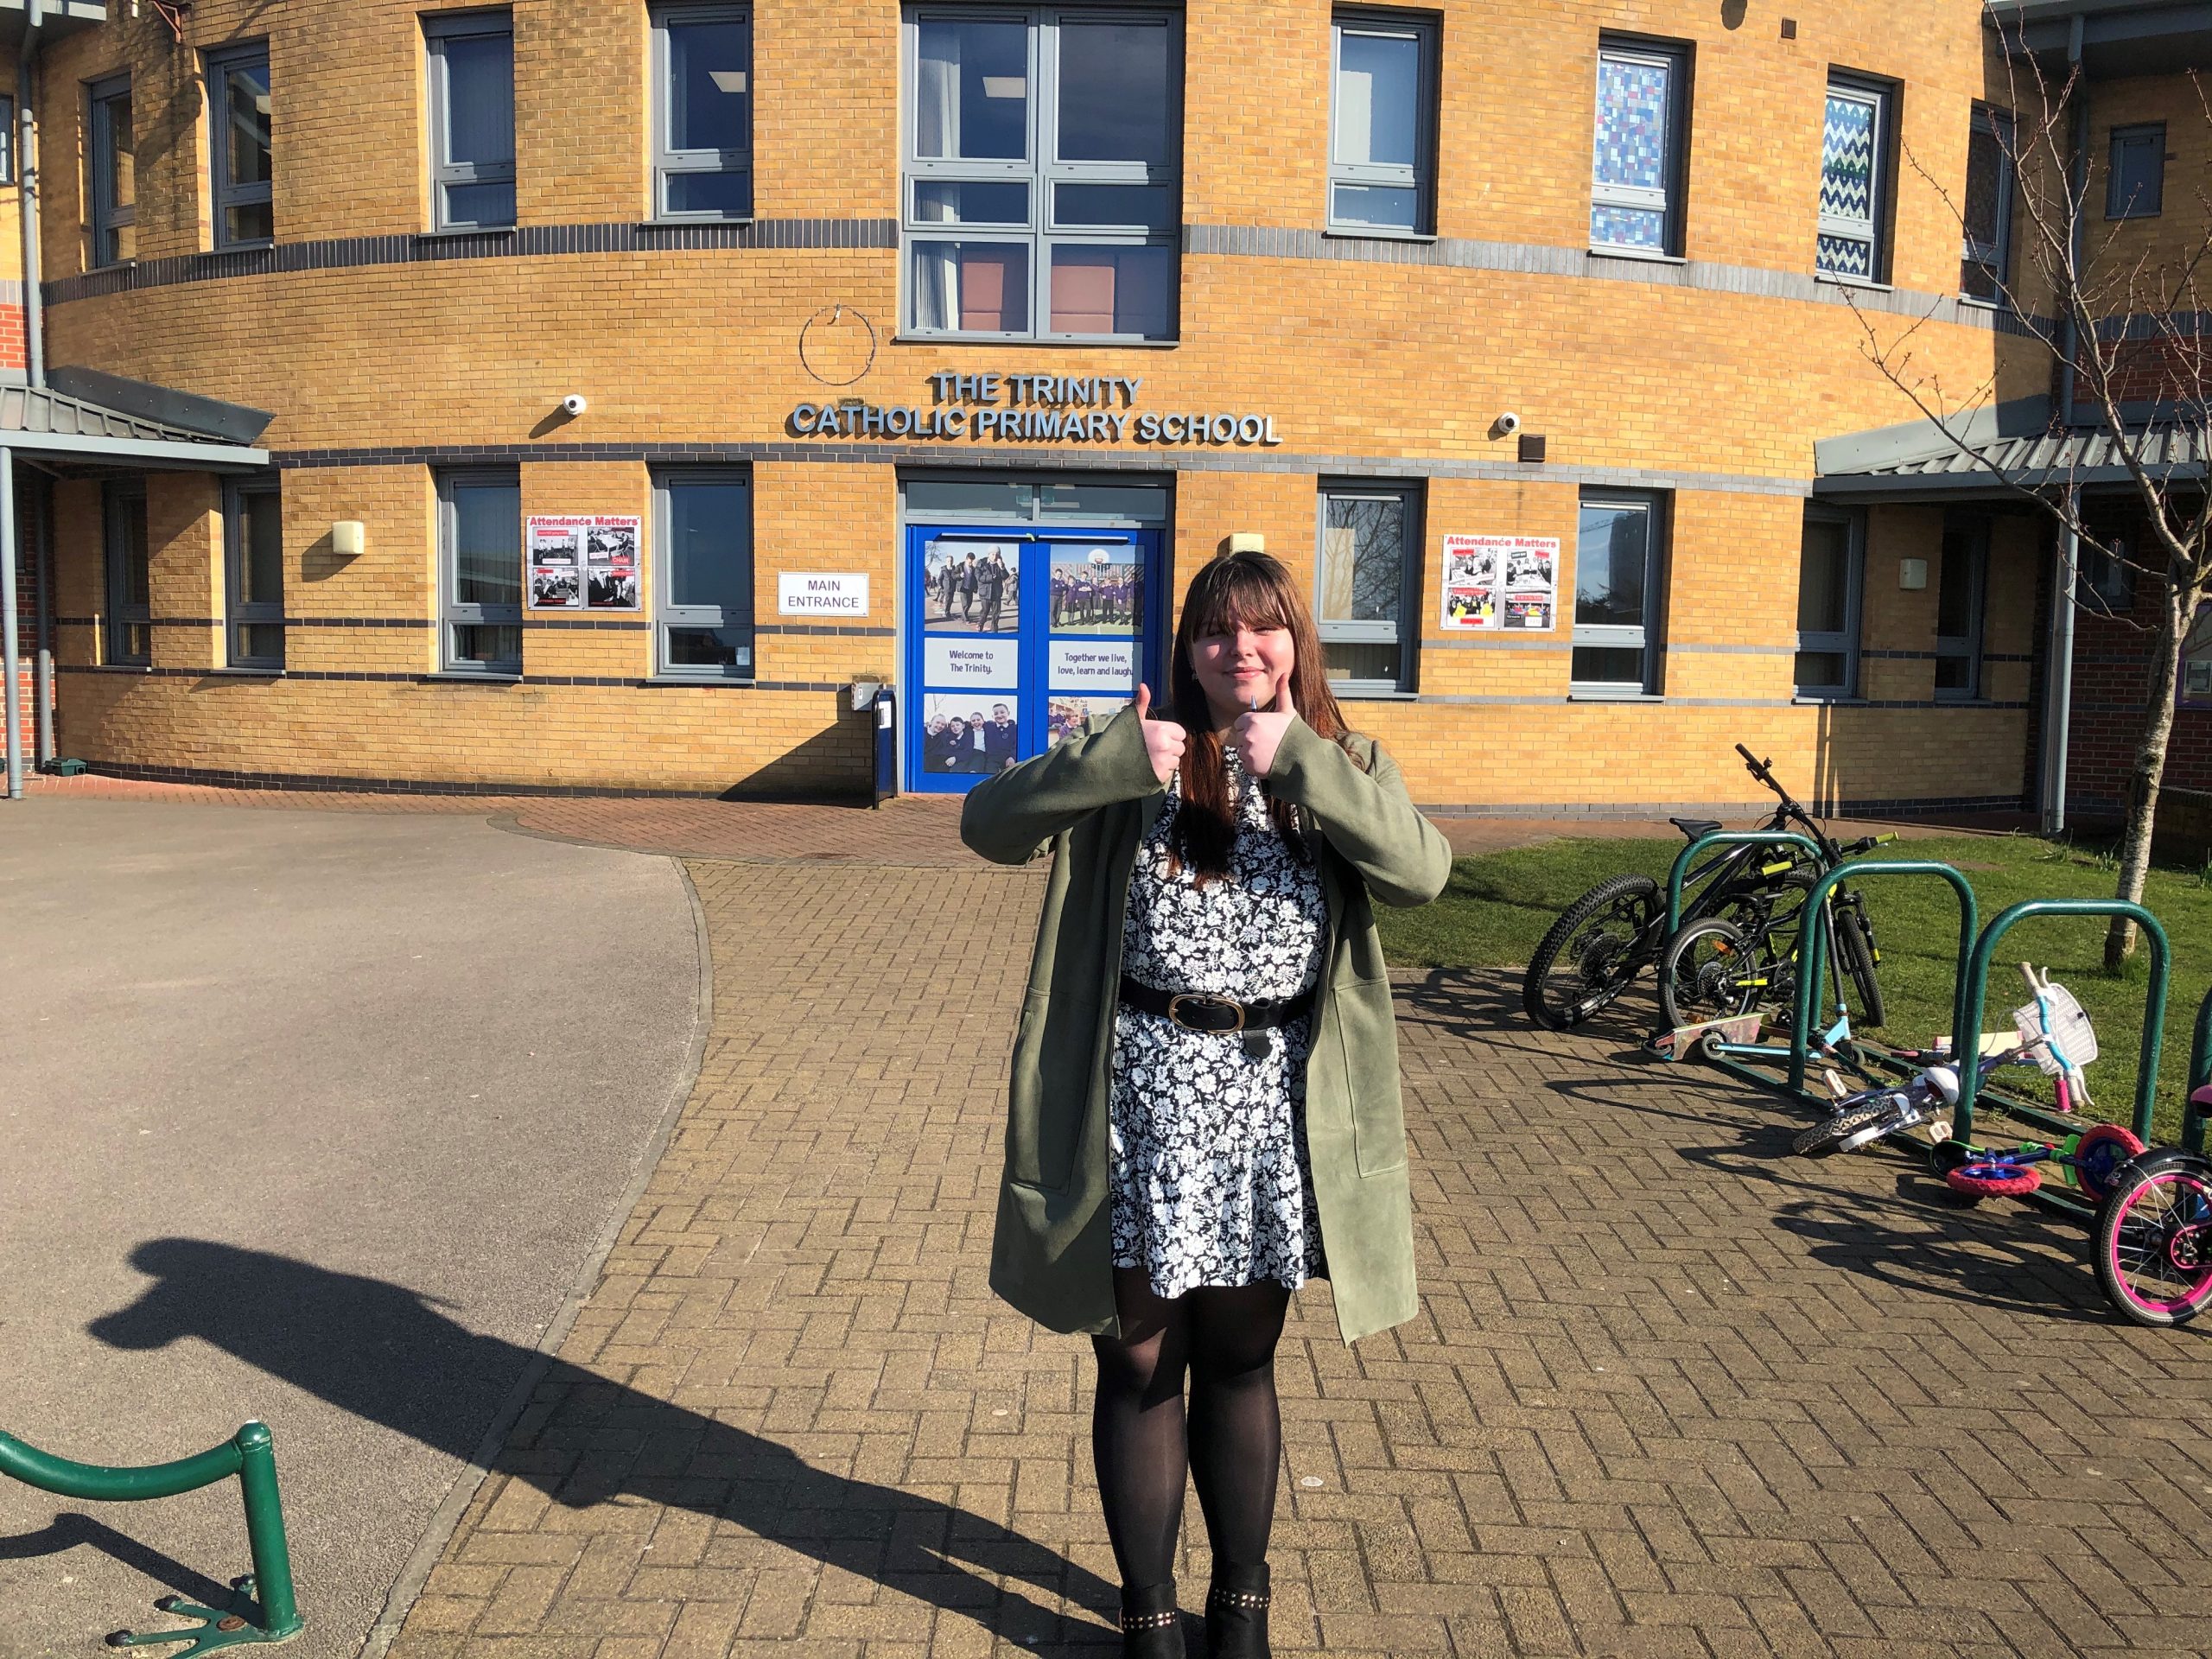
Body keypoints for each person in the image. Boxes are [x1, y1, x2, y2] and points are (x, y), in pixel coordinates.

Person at [962, 550, 1449, 1657]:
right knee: (1135, 1357)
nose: (1243, 650)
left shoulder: (1347, 756)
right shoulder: (1137, 755)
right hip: (1138, 1092)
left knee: (1239, 1355)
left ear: (1295, 642)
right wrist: (1103, 761)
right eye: (1218, 633)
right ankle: (1146, 1613)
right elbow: (987, 826)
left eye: (1265, 629)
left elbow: (1423, 873)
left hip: (1271, 1096)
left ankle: (1241, 1605)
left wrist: (1308, 768)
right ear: (1186, 650)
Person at [980, 553, 1007, 633]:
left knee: (996, 613)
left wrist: (1002, 567)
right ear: (988, 554)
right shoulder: (982, 563)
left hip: (996, 593)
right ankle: (980, 625)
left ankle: (994, 630)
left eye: (997, 555)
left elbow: (1005, 576)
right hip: (985, 593)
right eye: (992, 554)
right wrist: (991, 577)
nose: (994, 557)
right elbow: (979, 577)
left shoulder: (1000, 564)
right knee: (985, 611)